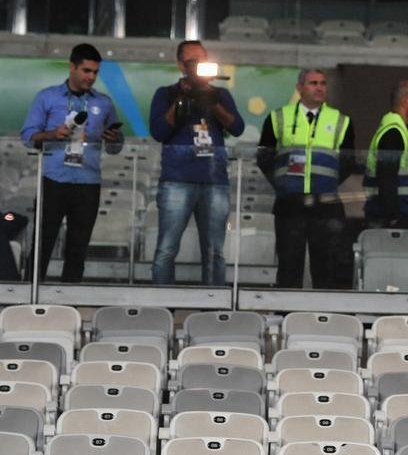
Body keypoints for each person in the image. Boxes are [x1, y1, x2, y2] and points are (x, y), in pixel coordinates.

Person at [21, 43, 122, 283]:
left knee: (78, 247)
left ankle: (69, 301)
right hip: (53, 179)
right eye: (86, 71)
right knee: (43, 242)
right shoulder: (47, 97)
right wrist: (52, 135)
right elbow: (27, 136)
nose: (91, 77)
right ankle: (29, 296)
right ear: (72, 67)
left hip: (88, 181)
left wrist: (114, 138)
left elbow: (116, 147)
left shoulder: (104, 103)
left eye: (95, 72)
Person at [149, 40, 244, 286]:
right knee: (166, 249)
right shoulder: (165, 93)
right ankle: (163, 306)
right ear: (181, 65)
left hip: (214, 180)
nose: (197, 65)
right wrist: (181, 98)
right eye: (191, 61)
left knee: (215, 252)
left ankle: (213, 310)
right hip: (176, 180)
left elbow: (237, 127)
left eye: (201, 60)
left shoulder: (220, 94)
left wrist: (212, 103)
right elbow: (158, 131)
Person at [256, 68, 357, 288]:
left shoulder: (341, 120)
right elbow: (264, 157)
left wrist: (327, 184)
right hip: (290, 201)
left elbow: (349, 161)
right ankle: (286, 315)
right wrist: (281, 184)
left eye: (322, 83)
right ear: (299, 88)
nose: (319, 87)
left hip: (325, 202)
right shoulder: (278, 117)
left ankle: (322, 315)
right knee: (289, 263)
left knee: (325, 264)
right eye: (313, 83)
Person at [363, 80, 408, 228]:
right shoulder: (394, 132)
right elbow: (386, 177)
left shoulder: (401, 130)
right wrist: (393, 216)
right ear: (405, 101)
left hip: (394, 213)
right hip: (390, 217)